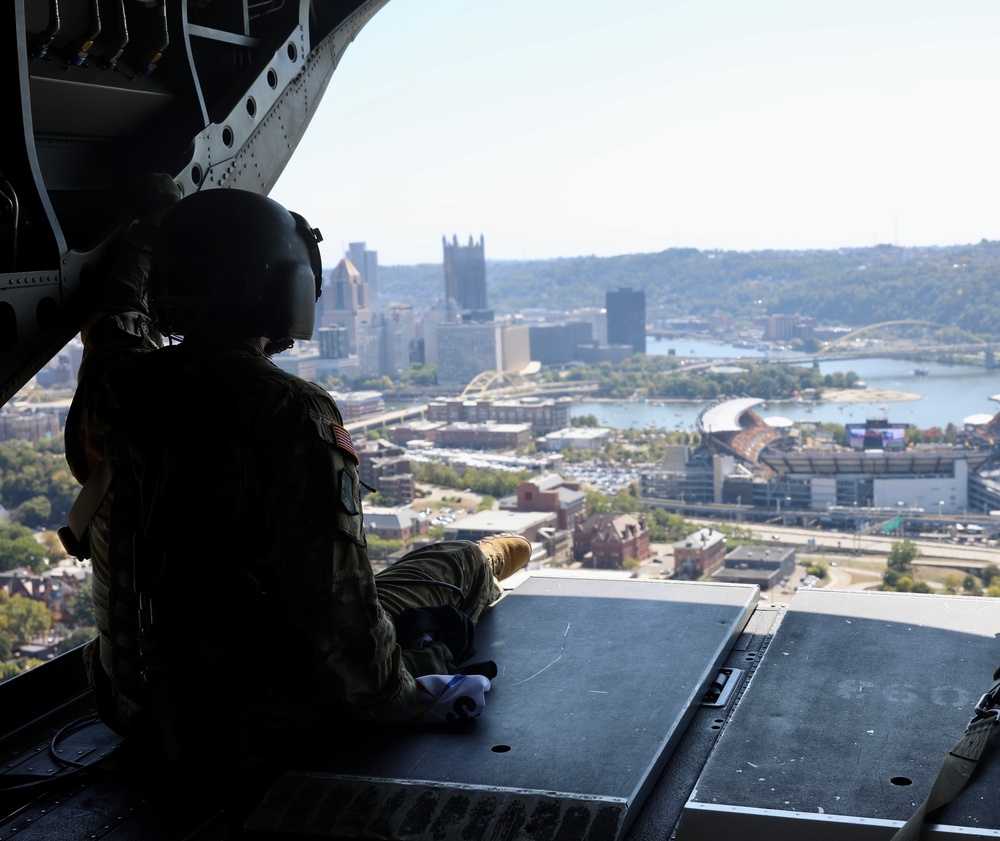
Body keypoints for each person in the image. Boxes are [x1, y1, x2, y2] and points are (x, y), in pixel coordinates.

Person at [63, 176, 531, 764]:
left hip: (130, 707)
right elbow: (337, 612)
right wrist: (413, 695)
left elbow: (117, 313)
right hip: (251, 726)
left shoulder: (115, 382)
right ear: (286, 287)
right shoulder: (289, 411)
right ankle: (486, 562)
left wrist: (154, 226)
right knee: (453, 561)